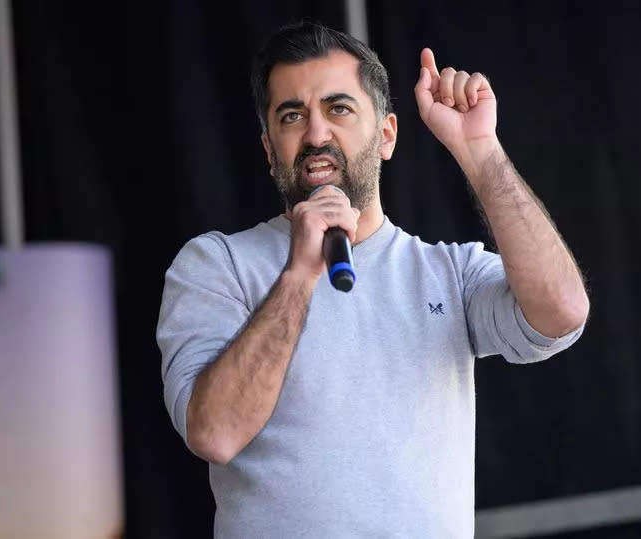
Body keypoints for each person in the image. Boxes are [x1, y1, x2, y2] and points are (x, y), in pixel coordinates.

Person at [157, 20, 589, 537]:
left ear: (386, 135)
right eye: (292, 115)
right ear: (270, 149)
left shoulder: (447, 272)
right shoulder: (216, 263)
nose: (316, 134)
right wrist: (299, 273)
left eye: (338, 109)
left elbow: (562, 312)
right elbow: (214, 433)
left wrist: (481, 152)